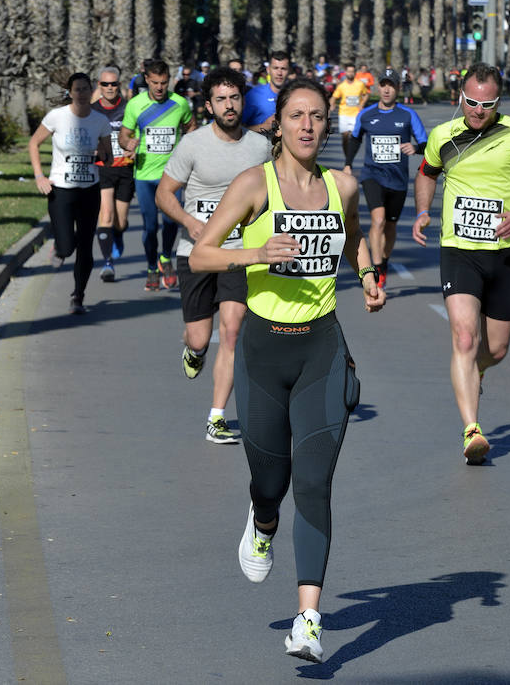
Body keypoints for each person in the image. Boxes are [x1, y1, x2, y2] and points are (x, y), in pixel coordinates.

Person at [189, 79, 385, 664]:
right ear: (278, 124)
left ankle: (308, 620)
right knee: (271, 482)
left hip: (321, 347)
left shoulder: (341, 185)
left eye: (317, 117)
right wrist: (255, 253)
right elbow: (202, 253)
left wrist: (370, 274)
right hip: (263, 351)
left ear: (328, 125)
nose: (306, 125)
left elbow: (352, 241)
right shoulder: (254, 185)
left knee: (316, 483)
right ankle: (263, 519)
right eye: (296, 115)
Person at [412, 63, 510, 464]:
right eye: (472, 101)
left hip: (504, 252)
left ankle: (478, 371)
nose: (477, 110)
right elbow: (427, 174)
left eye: (487, 103)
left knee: (497, 348)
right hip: (458, 249)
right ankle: (472, 430)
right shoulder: (443, 135)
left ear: (498, 102)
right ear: (461, 95)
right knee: (463, 337)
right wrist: (423, 210)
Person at [156, 67, 271, 444]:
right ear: (208, 106)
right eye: (220, 99)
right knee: (201, 338)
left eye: (234, 98)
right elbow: (164, 194)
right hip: (197, 252)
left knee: (233, 330)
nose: (228, 105)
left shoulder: (259, 147)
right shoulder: (193, 145)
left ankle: (217, 416)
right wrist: (189, 222)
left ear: (243, 101)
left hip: (239, 252)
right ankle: (194, 351)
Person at [29, 73, 112, 314]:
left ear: (91, 91)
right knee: (66, 248)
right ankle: (60, 248)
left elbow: (109, 157)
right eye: (77, 89)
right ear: (70, 92)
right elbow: (34, 143)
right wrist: (39, 176)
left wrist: (102, 156)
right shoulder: (57, 117)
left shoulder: (100, 120)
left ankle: (78, 296)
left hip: (89, 190)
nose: (82, 94)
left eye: (86, 89)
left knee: (86, 246)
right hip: (61, 191)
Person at [343, 71, 427, 289]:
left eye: (391, 85)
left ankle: (385, 262)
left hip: (398, 180)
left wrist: (416, 148)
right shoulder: (367, 114)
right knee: (378, 220)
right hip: (372, 175)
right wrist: (348, 163)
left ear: (398, 88)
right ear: (377, 88)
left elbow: (426, 143)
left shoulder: (408, 115)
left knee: (390, 226)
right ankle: (376, 268)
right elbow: (354, 139)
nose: (387, 89)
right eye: (383, 85)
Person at [119, 59, 195, 291]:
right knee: (150, 227)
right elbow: (124, 135)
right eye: (155, 83)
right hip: (144, 175)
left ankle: (165, 259)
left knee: (172, 222)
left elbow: (191, 127)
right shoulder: (135, 104)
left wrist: (186, 150)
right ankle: (152, 267)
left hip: (172, 175)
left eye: (163, 82)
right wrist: (128, 143)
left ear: (169, 80)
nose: (160, 87)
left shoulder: (179, 103)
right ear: (147, 81)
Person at [91, 66, 135, 281]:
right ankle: (107, 263)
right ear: (99, 86)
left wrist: (135, 147)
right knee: (106, 215)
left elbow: (139, 134)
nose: (110, 88)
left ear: (119, 85)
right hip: (103, 168)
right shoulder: (91, 110)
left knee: (121, 221)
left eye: (114, 84)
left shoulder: (129, 108)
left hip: (125, 169)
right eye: (105, 84)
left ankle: (117, 235)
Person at [241, 51, 290, 133]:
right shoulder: (254, 95)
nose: (279, 73)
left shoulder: (295, 96)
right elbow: (238, 129)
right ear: (268, 70)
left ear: (289, 71)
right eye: (275, 68)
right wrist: (265, 126)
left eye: (283, 69)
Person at [329, 62, 369, 155]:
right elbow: (334, 97)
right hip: (344, 114)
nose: (350, 73)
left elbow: (366, 94)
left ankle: (349, 159)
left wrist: (362, 104)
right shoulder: (341, 86)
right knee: (345, 137)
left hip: (355, 114)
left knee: (352, 136)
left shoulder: (360, 84)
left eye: (352, 71)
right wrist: (332, 103)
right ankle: (347, 156)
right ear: (345, 73)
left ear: (355, 73)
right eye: (349, 71)